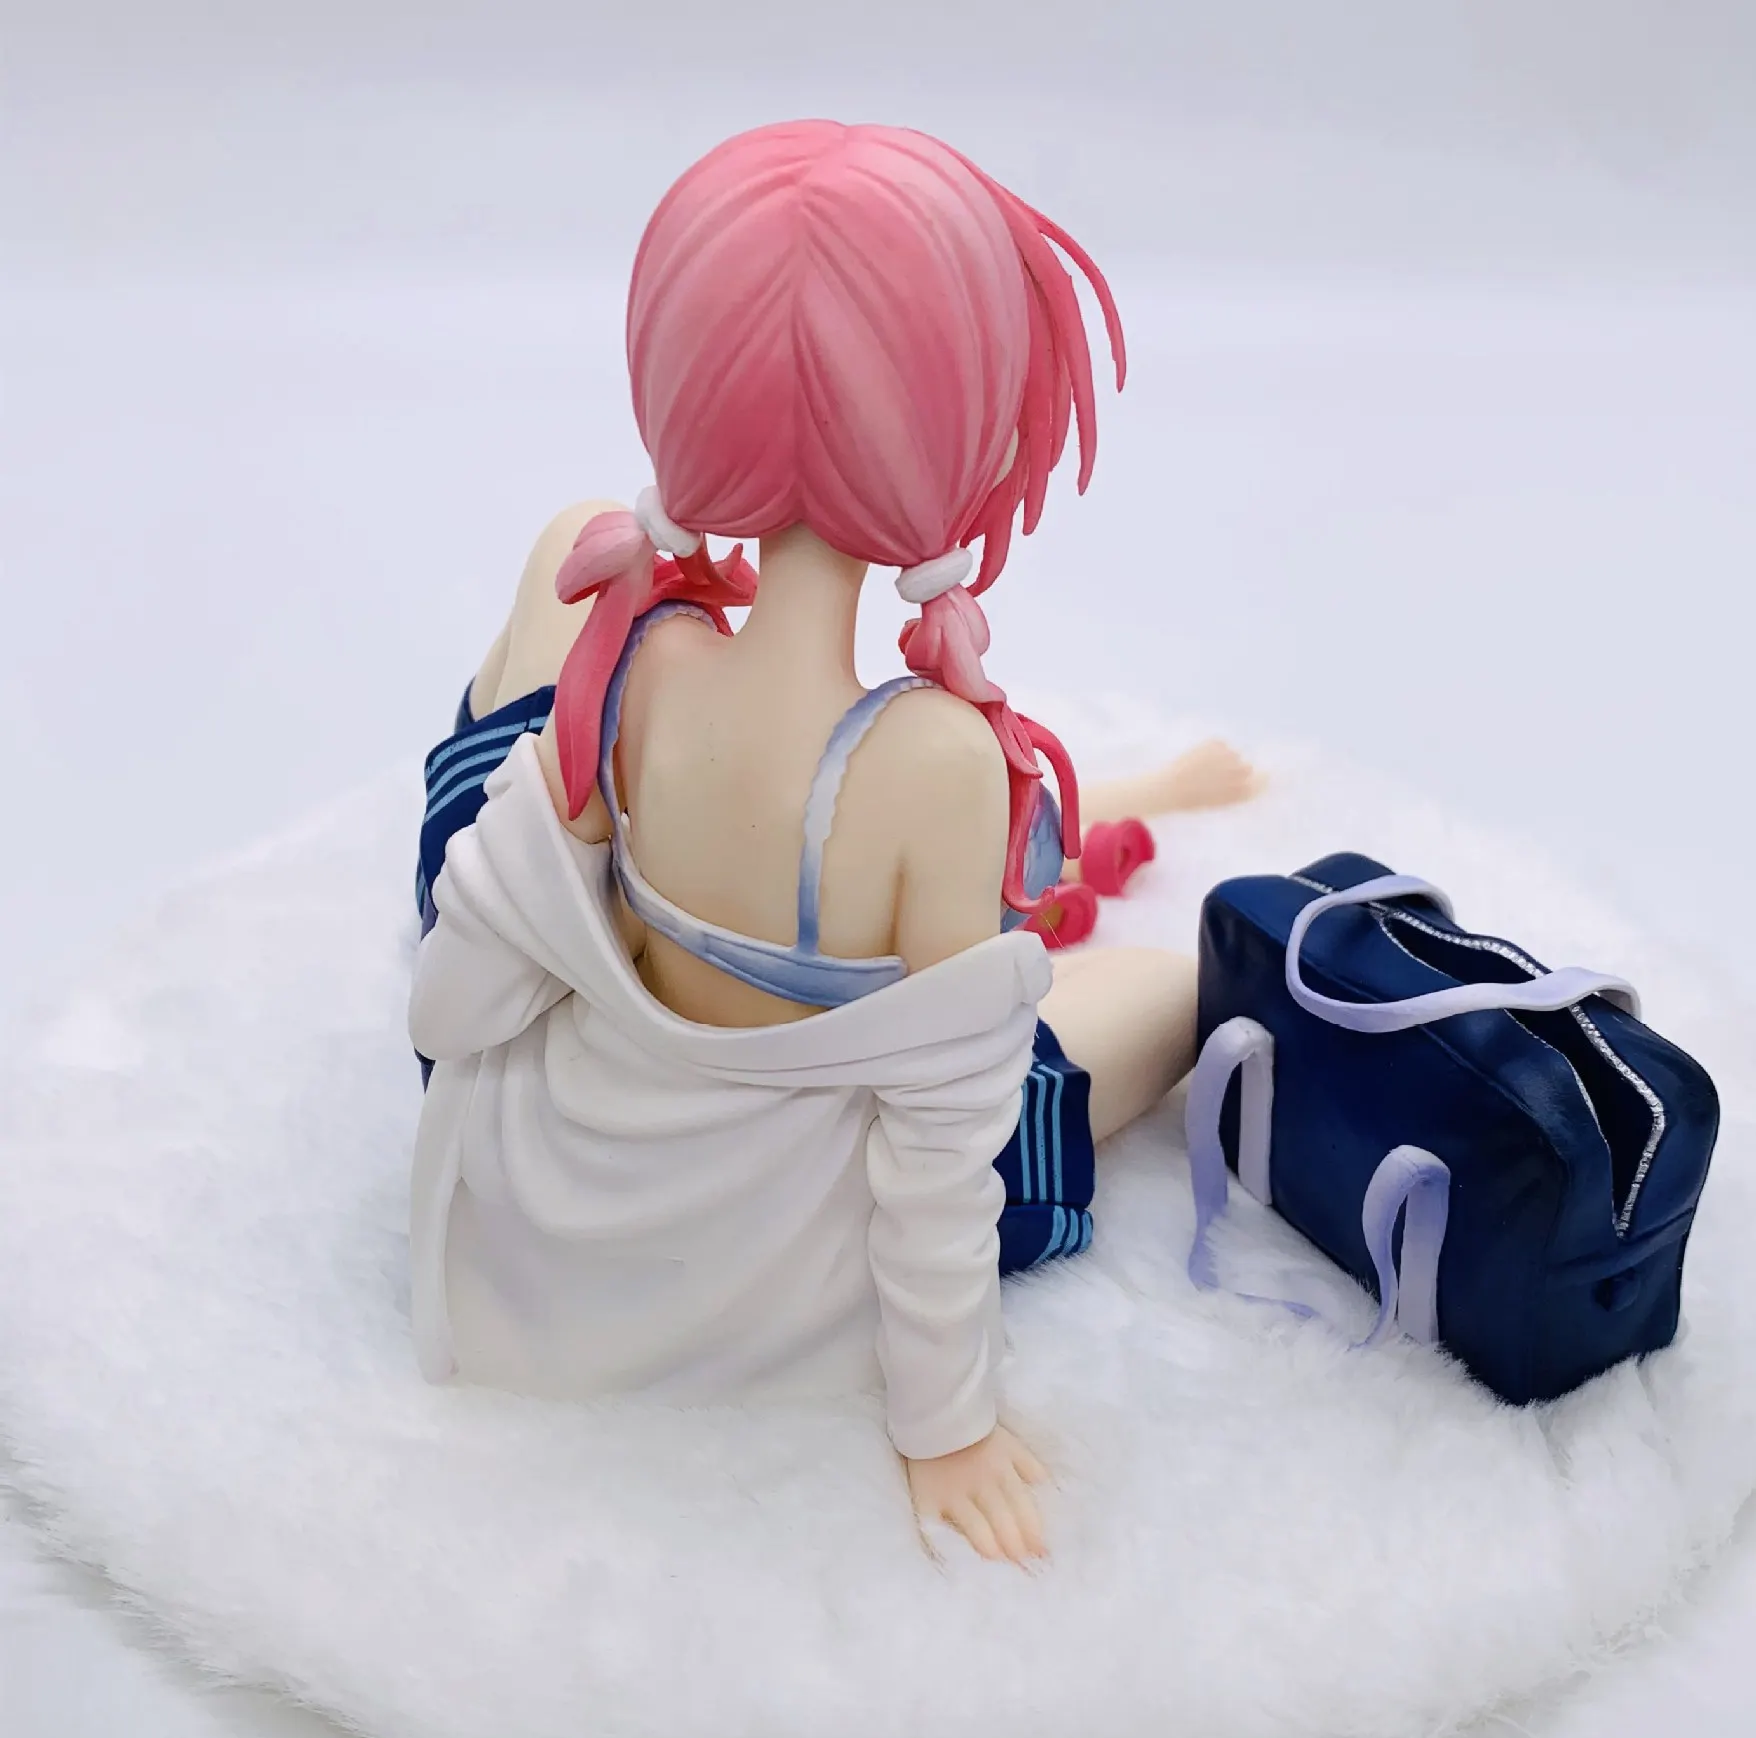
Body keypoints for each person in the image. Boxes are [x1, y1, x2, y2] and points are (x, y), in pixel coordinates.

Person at [409, 121, 1260, 1566]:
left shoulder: (644, 651)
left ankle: (1123, 804)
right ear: (954, 426)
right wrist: (949, 1427)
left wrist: (508, 1039)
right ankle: (1110, 818)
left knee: (565, 548)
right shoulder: (932, 763)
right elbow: (941, 1158)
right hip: (774, 1248)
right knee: (1178, 984)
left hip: (554, 1194)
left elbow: (452, 999)